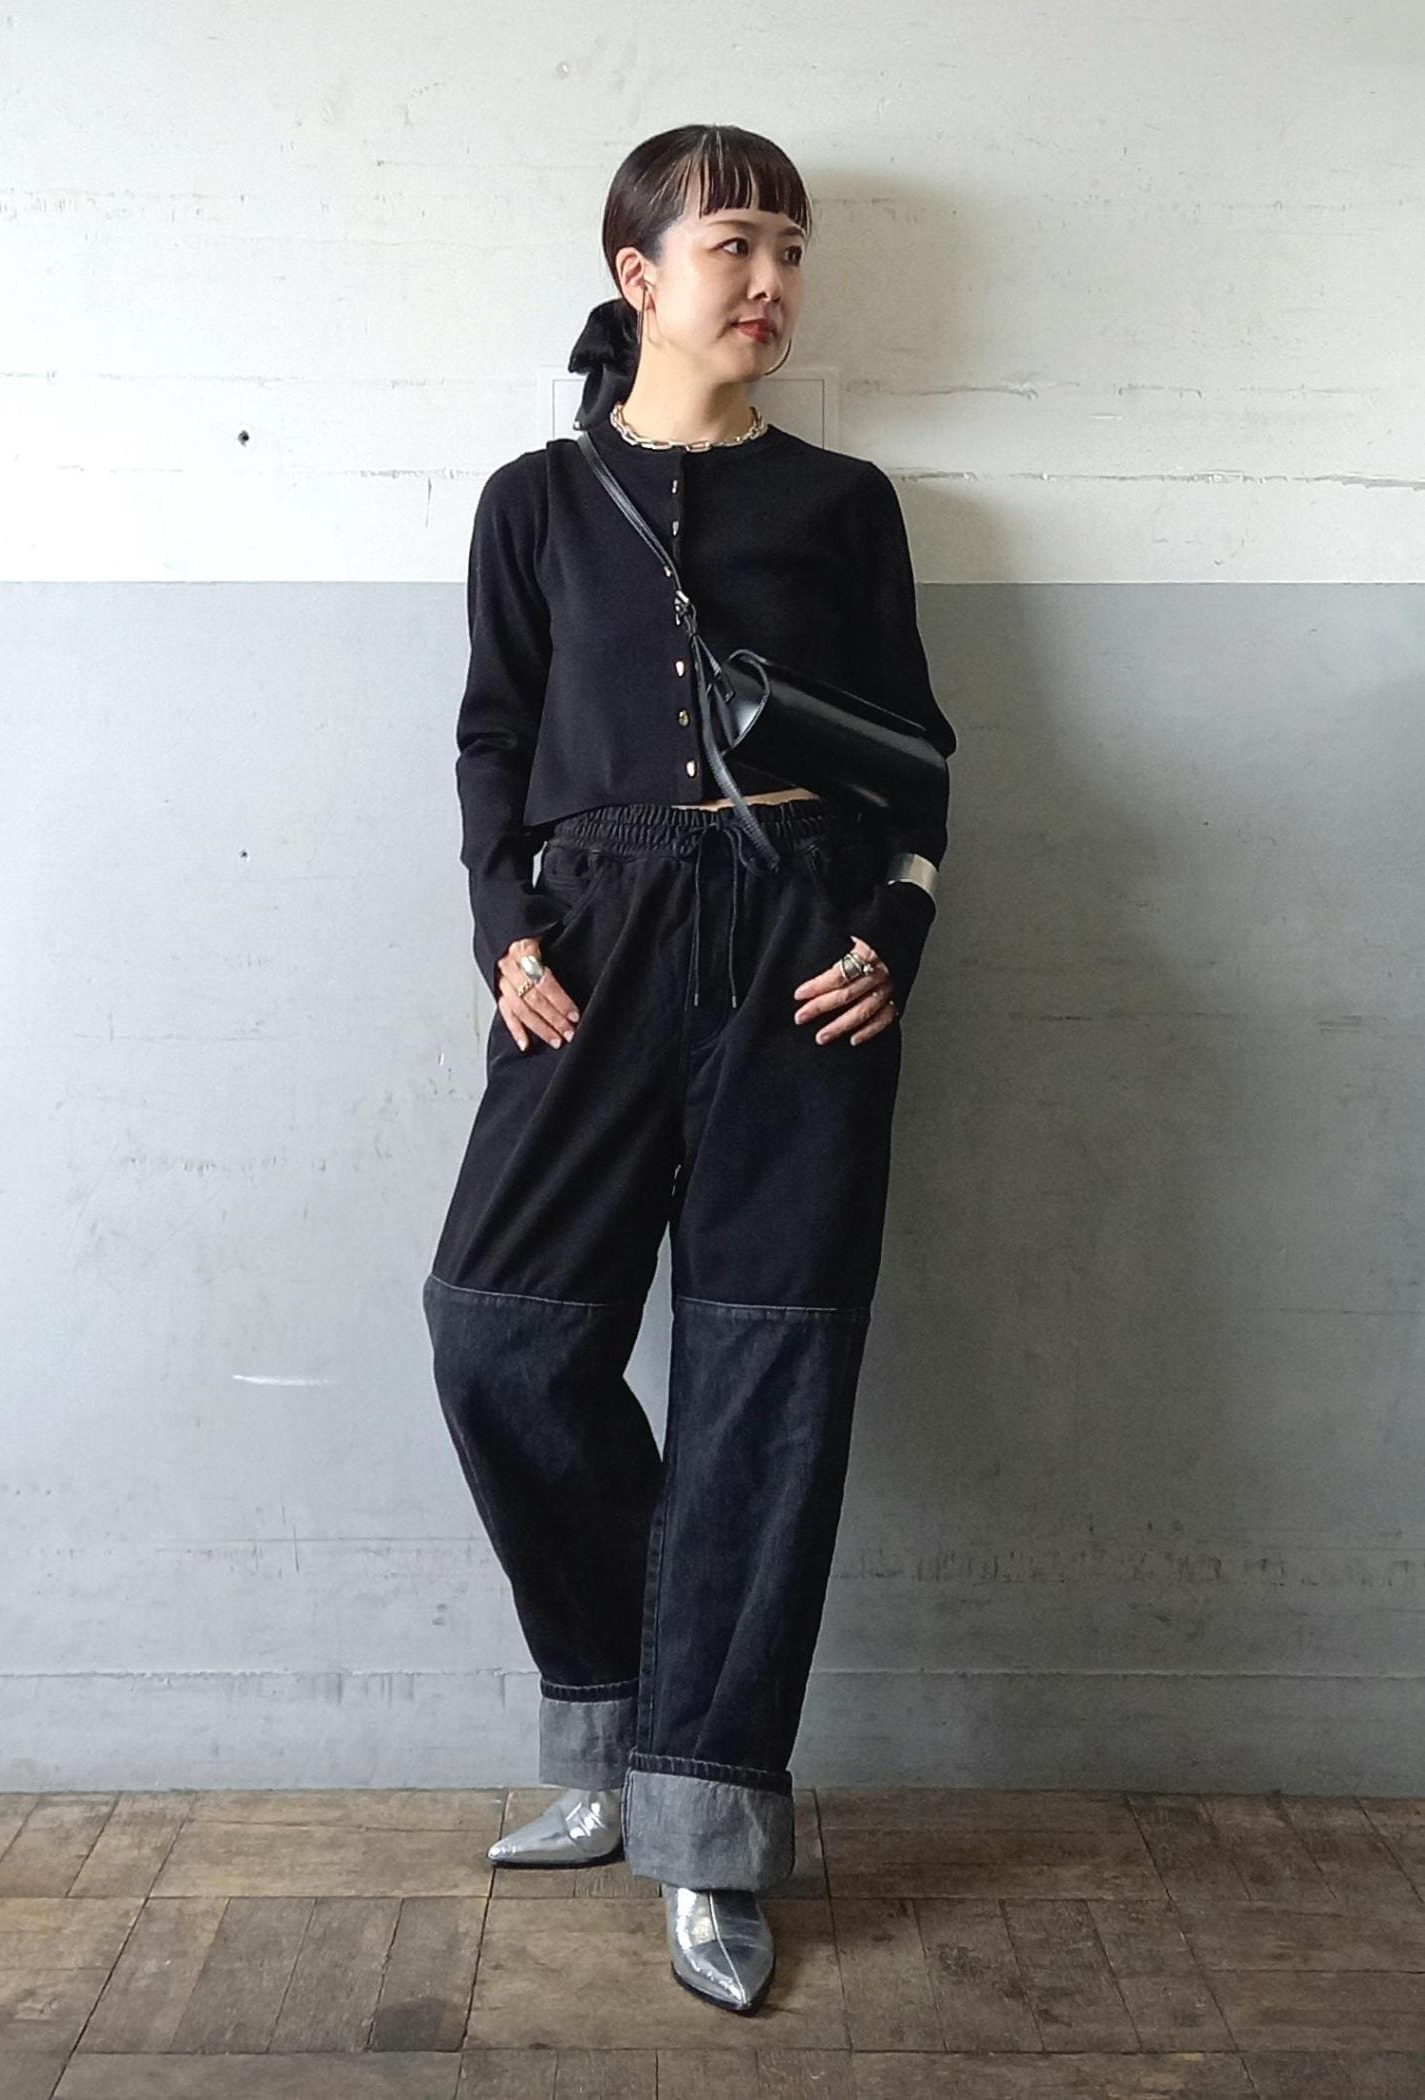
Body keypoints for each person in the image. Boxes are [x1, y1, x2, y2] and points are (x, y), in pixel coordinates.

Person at [421, 123, 957, 2016]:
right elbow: (492, 742)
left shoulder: (847, 502)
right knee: (497, 1335)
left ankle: (710, 1829)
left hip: (799, 955)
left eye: (790, 247)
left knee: (763, 1379)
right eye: (736, 243)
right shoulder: (534, 501)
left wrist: (888, 942)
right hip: (590, 947)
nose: (772, 280)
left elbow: (920, 769)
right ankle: (622, 1725)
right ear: (638, 274)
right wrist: (506, 931)